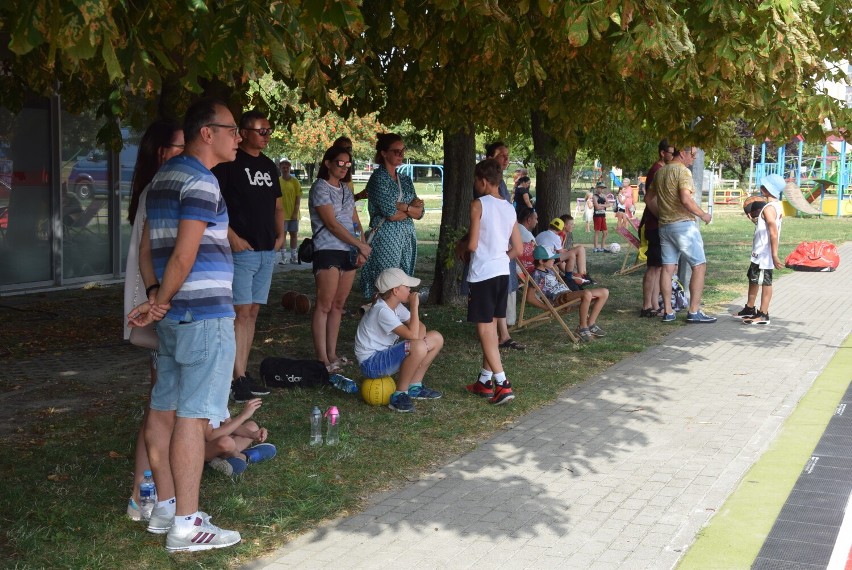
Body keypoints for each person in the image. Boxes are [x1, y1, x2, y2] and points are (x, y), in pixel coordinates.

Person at [128, 98, 241, 552]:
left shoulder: (160, 179)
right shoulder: (201, 180)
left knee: (164, 408)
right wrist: (161, 301)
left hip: (176, 316)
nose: (239, 137)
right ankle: (186, 525)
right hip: (203, 316)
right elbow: (184, 253)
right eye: (232, 129)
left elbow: (146, 251)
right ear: (207, 133)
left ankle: (166, 509)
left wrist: (157, 298)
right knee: (193, 417)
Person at [123, 119, 184, 522]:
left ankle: (147, 491)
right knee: (160, 405)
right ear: (161, 152)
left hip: (160, 305)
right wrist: (158, 299)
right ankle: (143, 493)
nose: (186, 153)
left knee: (162, 403)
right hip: (159, 307)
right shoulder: (159, 190)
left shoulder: (158, 188)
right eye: (179, 147)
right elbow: (160, 255)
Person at [212, 109, 283, 402]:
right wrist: (232, 237)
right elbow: (214, 203)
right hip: (242, 251)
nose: (266, 136)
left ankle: (242, 373)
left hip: (266, 250)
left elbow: (278, 206)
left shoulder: (268, 166)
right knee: (239, 313)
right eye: (261, 130)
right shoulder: (229, 163)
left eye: (269, 130)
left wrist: (280, 236)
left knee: (251, 313)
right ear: (244, 132)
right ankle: (234, 377)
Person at [464, 158, 523, 405]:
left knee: (485, 329)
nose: (476, 185)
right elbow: (518, 248)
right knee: (491, 329)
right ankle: (485, 380)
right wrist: (500, 257)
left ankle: (502, 383)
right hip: (502, 272)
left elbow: (472, 245)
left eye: (477, 181)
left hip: (482, 274)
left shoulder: (478, 205)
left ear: (484, 181)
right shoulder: (510, 207)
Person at [309, 145, 371, 372]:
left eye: (348, 164)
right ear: (328, 163)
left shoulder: (346, 189)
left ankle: (332, 353)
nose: (344, 168)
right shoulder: (319, 188)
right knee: (324, 305)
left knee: (338, 306)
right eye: (340, 163)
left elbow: (354, 220)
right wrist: (358, 244)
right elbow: (332, 224)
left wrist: (362, 244)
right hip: (327, 250)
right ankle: (322, 357)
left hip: (349, 251)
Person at [354, 268, 444, 412]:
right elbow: (413, 335)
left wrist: (418, 344)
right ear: (395, 291)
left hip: (384, 356)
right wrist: (415, 306)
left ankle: (414, 386)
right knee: (418, 346)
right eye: (407, 287)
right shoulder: (382, 311)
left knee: (436, 338)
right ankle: (399, 395)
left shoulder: (396, 306)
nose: (411, 290)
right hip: (371, 363)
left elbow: (421, 327)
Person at [656, 146, 716, 323]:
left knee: (667, 269)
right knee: (699, 265)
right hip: (683, 225)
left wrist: (661, 214)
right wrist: (703, 214)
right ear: (682, 153)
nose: (694, 158)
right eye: (693, 154)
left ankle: (668, 311)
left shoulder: (661, 172)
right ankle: (694, 311)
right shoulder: (683, 171)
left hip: (664, 226)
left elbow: (650, 197)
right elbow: (685, 198)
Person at [359, 133, 424, 299]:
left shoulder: (405, 179)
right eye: (396, 151)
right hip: (387, 238)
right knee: (387, 281)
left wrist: (403, 206)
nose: (401, 155)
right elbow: (391, 214)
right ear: (384, 153)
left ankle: (396, 317)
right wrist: (410, 209)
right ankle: (381, 316)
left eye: (403, 151)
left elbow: (421, 212)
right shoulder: (378, 179)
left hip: (407, 236)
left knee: (403, 279)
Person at [484, 141, 524, 350]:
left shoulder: (500, 183)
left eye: (508, 156)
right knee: (493, 288)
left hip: (505, 245)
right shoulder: (486, 185)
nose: (506, 159)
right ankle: (495, 333)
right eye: (502, 155)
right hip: (493, 247)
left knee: (502, 287)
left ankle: (504, 334)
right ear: (491, 158)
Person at [528, 245, 610, 342]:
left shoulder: (549, 270)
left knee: (604, 292)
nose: (554, 260)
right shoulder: (536, 275)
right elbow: (530, 298)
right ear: (541, 261)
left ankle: (590, 324)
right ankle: (582, 327)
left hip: (567, 294)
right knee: (586, 293)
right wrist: (548, 308)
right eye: (551, 259)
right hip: (558, 298)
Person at [735, 174, 785, 325]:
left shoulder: (769, 209)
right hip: (760, 252)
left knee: (765, 282)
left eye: (764, 186)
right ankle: (750, 309)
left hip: (765, 254)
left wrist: (774, 255)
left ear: (769, 190)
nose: (761, 188)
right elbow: (765, 228)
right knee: (754, 278)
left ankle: (763, 314)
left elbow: (774, 232)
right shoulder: (774, 206)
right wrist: (755, 221)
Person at [639, 140, 673, 318]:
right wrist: (662, 216)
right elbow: (650, 199)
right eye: (670, 152)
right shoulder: (657, 170)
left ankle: (653, 304)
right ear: (662, 153)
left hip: (659, 224)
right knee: (653, 267)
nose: (673, 156)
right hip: (654, 225)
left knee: (659, 267)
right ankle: (647, 306)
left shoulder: (661, 169)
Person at [206, 398, 277, 477]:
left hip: (218, 442)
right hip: (202, 450)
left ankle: (223, 459)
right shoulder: (202, 402)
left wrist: (253, 434)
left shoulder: (218, 398)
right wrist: (243, 416)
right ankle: (244, 457)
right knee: (226, 442)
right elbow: (210, 436)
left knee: (252, 426)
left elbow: (228, 424)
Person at [535, 217, 590, 285]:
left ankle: (579, 276)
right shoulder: (556, 237)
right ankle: (569, 278)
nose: (573, 226)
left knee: (573, 252)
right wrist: (567, 252)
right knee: (571, 255)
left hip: (538, 257)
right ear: (561, 229)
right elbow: (560, 252)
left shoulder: (541, 234)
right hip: (548, 258)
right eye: (571, 224)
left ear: (549, 225)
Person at [278, 159, 302, 265]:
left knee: (293, 235)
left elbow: (298, 197)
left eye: (287, 167)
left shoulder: (295, 181)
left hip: (293, 214)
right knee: (282, 235)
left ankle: (293, 256)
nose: (285, 169)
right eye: (283, 167)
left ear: (290, 168)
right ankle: (283, 257)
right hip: (281, 214)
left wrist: (295, 213)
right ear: (280, 168)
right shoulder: (278, 181)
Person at [592, 182, 609, 252]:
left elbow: (609, 204)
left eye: (602, 188)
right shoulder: (594, 196)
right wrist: (604, 205)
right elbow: (596, 207)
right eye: (600, 188)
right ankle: (595, 247)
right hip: (597, 216)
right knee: (597, 232)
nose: (601, 190)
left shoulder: (604, 196)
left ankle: (602, 247)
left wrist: (601, 205)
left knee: (605, 232)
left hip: (603, 215)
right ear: (597, 188)